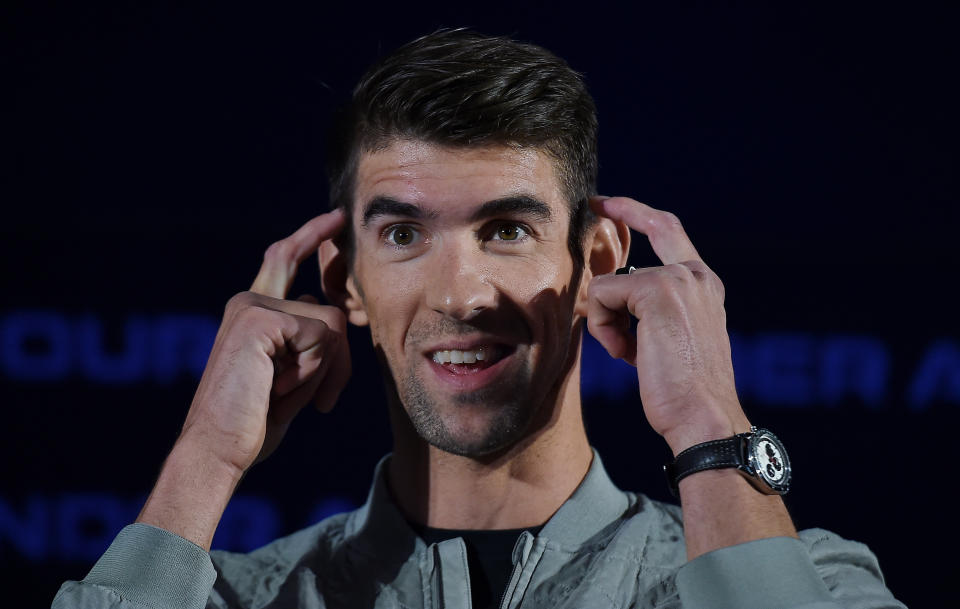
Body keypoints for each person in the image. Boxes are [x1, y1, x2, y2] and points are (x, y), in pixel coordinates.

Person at [53, 30, 905, 609]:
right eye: (402, 232)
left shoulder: (812, 577)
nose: (460, 295)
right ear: (344, 282)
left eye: (506, 230)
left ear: (598, 262)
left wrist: (710, 427)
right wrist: (203, 457)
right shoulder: (240, 597)